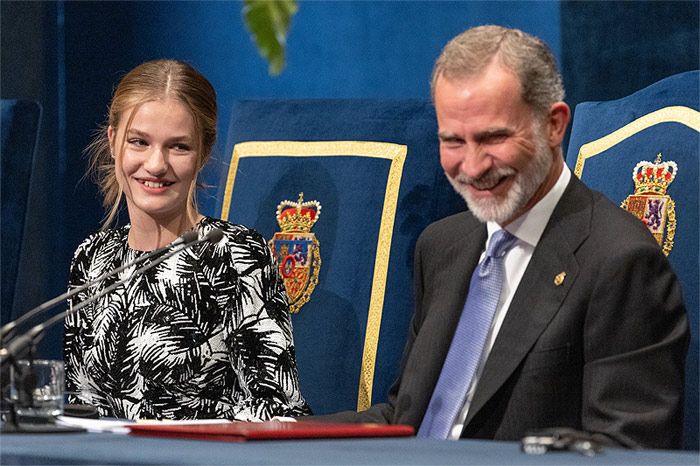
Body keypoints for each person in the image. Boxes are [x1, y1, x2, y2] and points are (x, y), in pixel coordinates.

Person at [316, 26, 689, 449]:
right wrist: (273, 435)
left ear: (554, 125)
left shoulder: (620, 261)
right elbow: (407, 417)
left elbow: (625, 453)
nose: (472, 167)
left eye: (494, 138)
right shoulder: (441, 246)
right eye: (453, 141)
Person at [64, 59, 310, 421]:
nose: (156, 164)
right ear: (113, 141)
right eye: (139, 142)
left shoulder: (236, 256)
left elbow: (279, 412)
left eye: (178, 147)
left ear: (203, 153)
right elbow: (78, 405)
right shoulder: (92, 259)